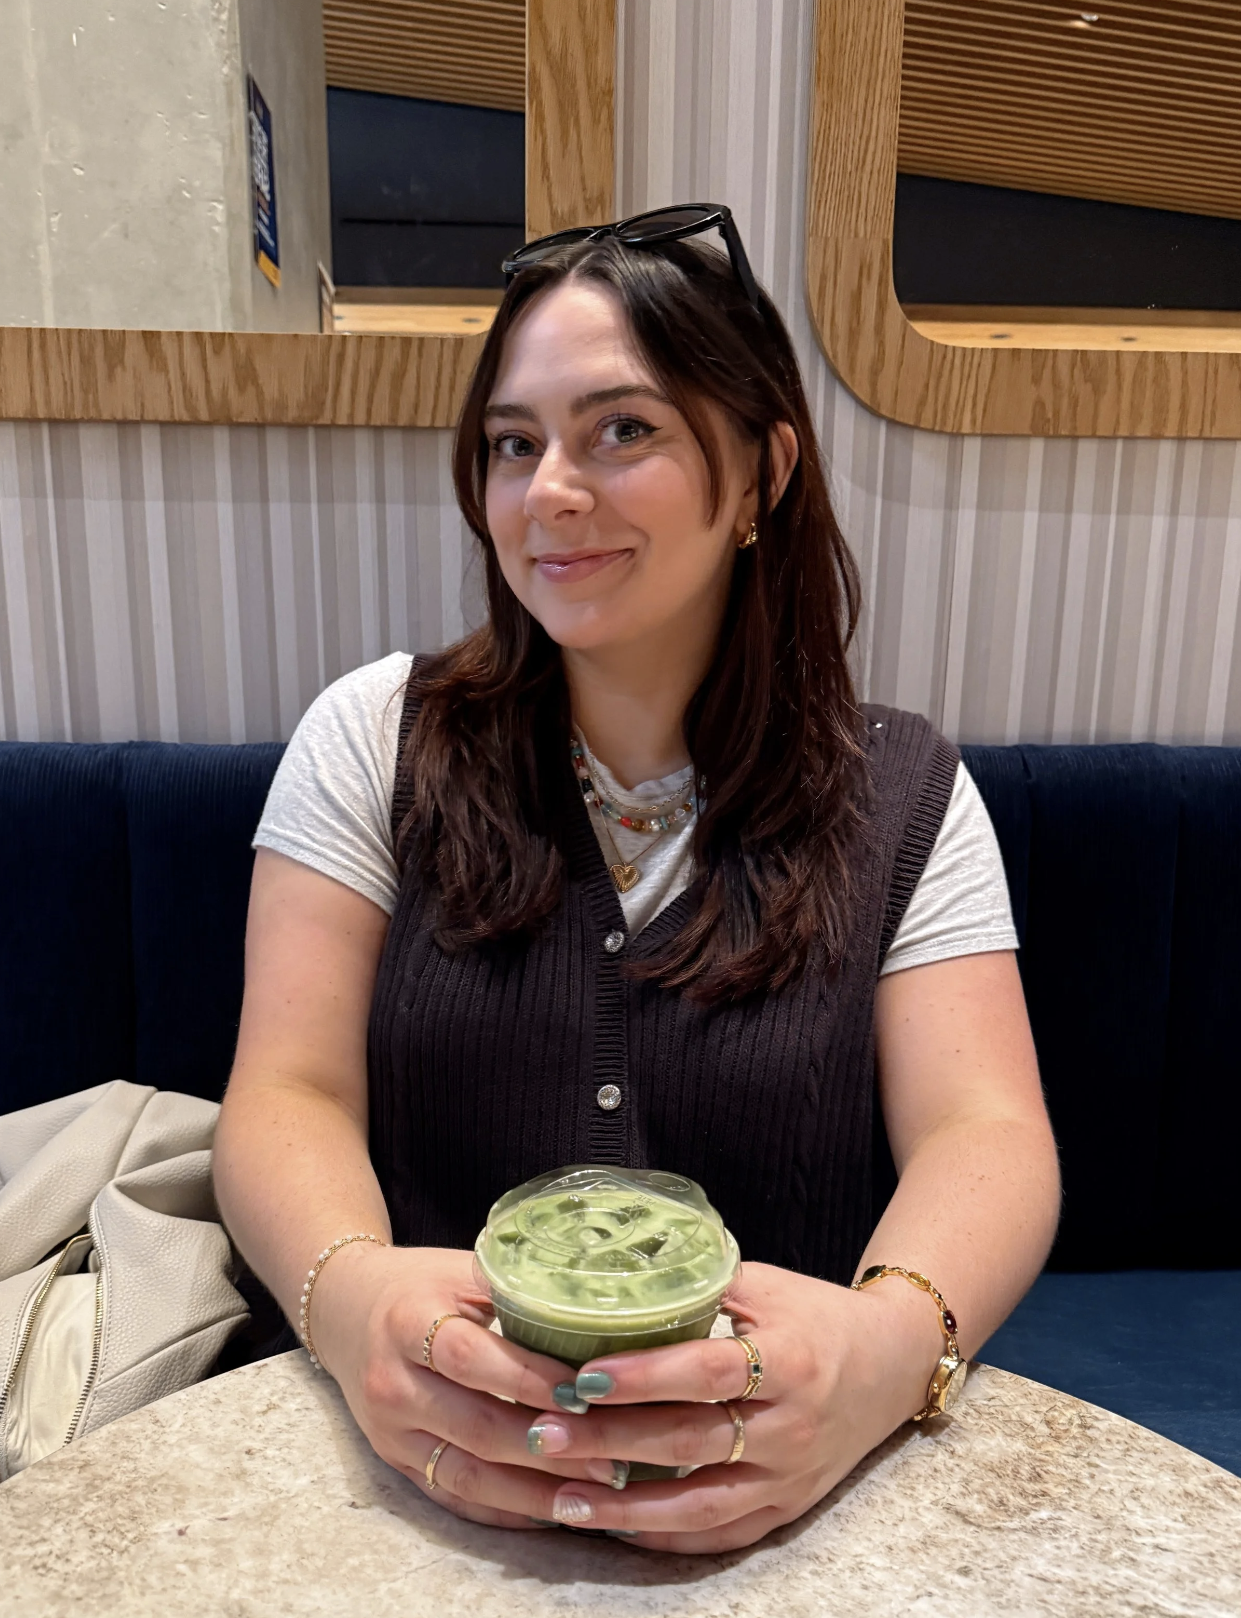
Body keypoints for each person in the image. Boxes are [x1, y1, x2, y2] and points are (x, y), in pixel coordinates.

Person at [212, 204, 1059, 1554]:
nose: (549, 491)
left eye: (621, 430)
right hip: (415, 1487)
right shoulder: (373, 739)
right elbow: (285, 1090)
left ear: (762, 470)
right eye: (513, 442)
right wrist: (353, 1298)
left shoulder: (902, 792)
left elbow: (987, 1132)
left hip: (774, 1509)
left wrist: (890, 1348)